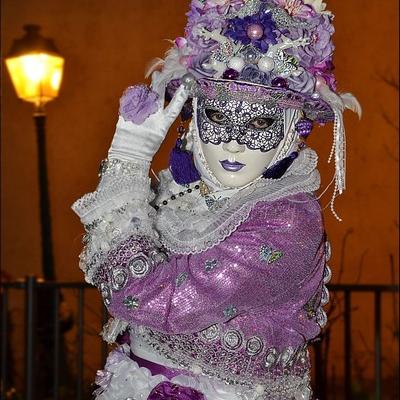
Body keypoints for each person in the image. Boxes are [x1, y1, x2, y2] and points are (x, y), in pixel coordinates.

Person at [72, 1, 360, 399]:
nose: (235, 143)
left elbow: (147, 296)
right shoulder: (180, 190)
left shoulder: (287, 220)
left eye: (260, 122)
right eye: (219, 117)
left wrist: (128, 163)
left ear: (292, 132)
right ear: (195, 118)